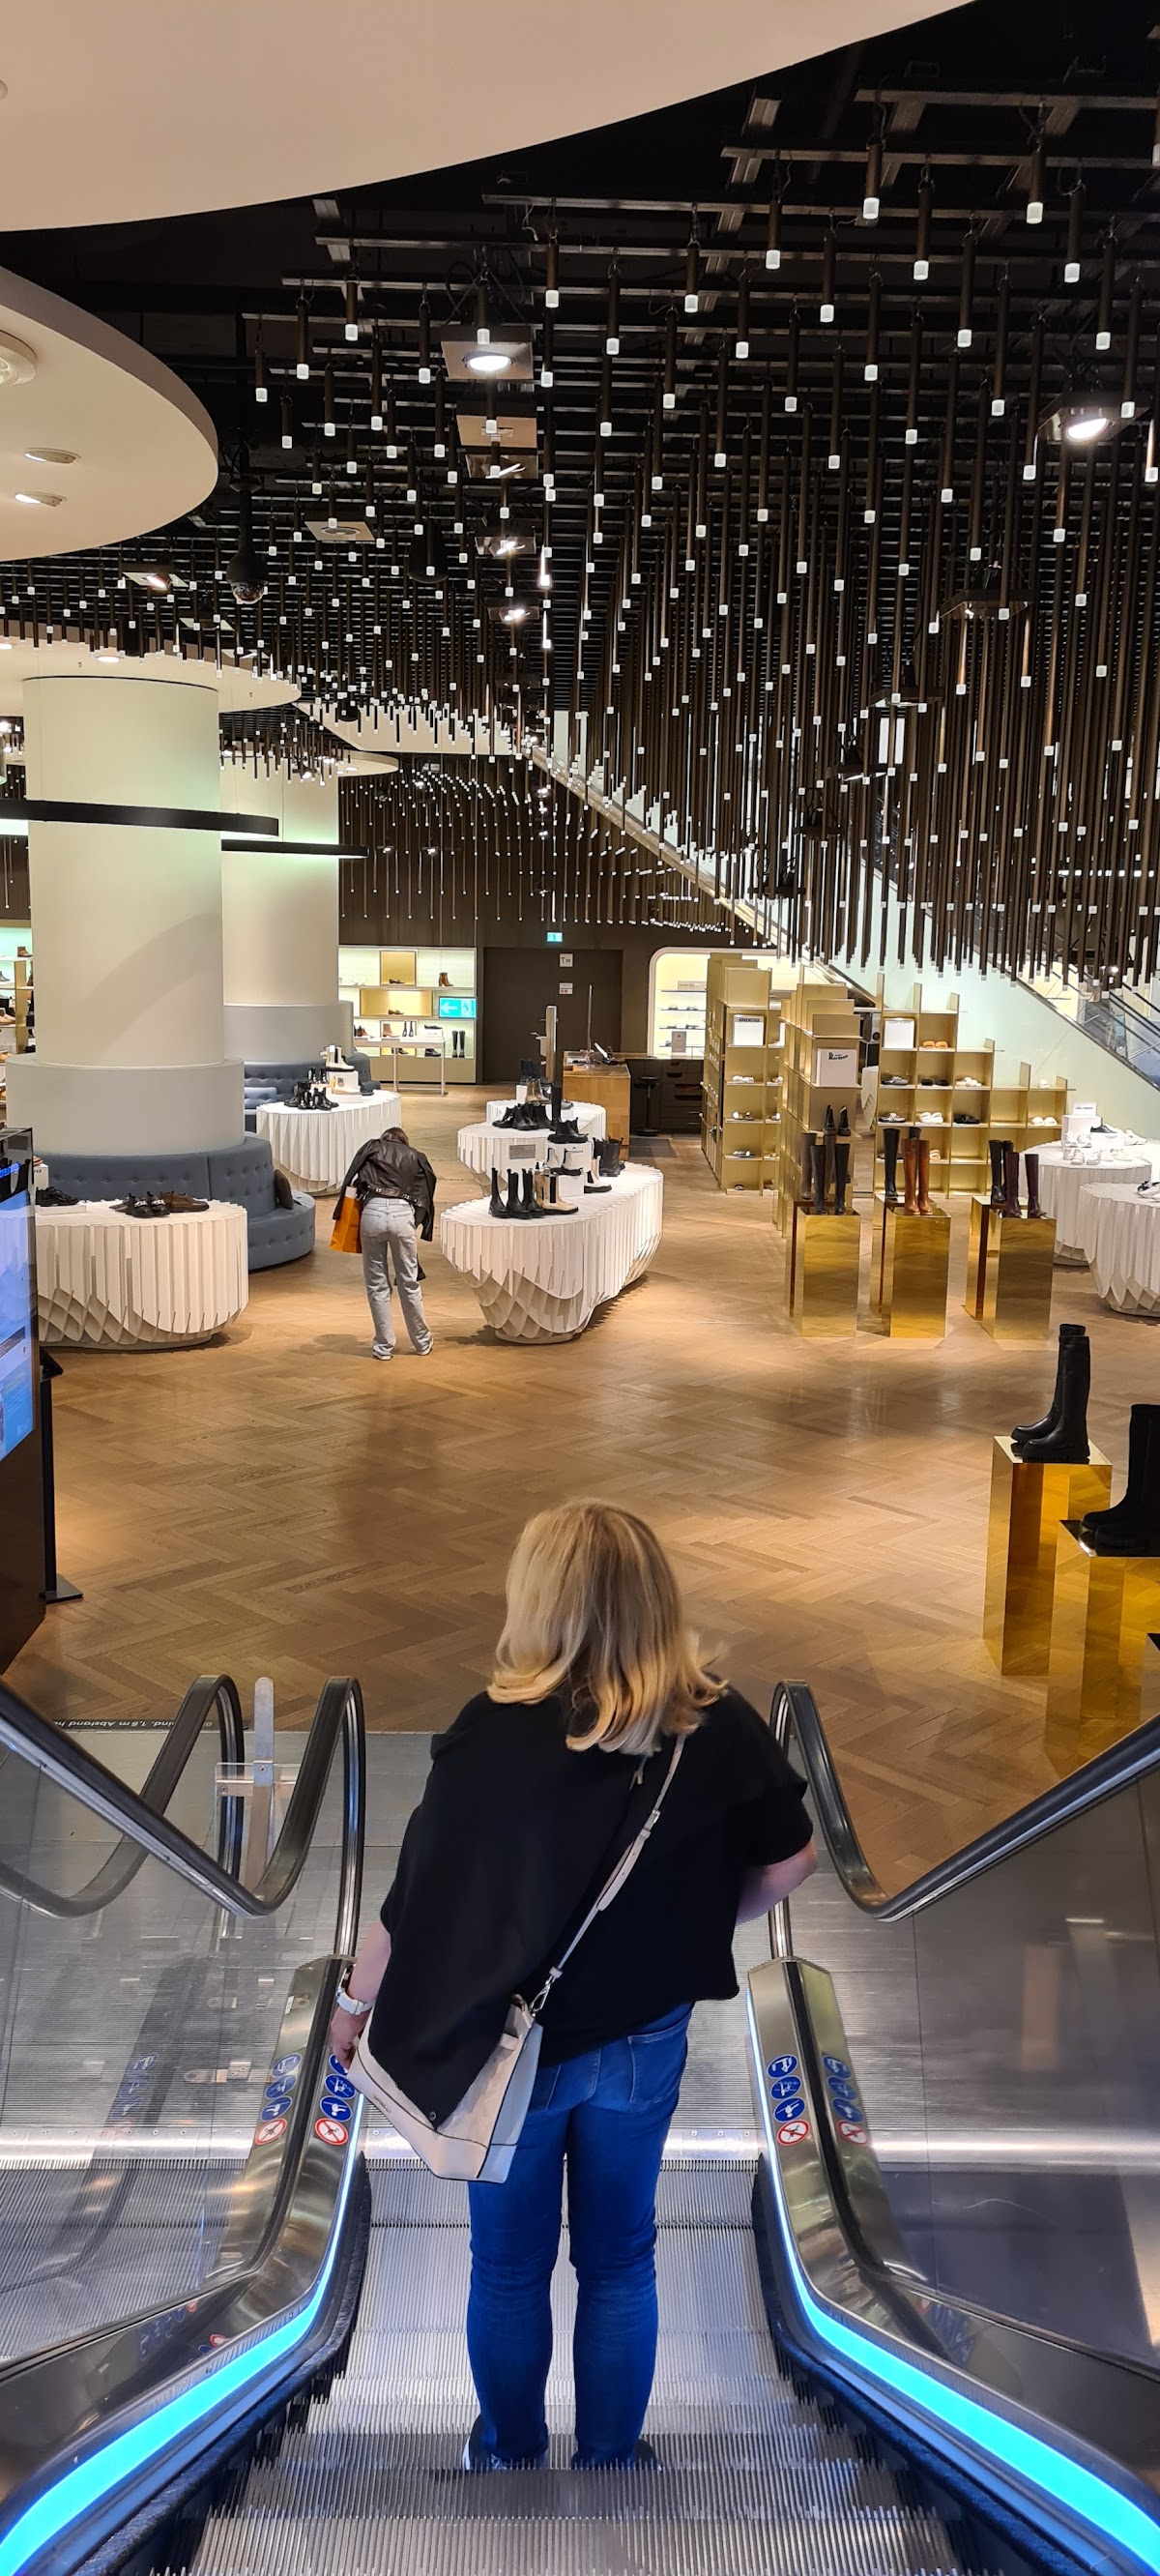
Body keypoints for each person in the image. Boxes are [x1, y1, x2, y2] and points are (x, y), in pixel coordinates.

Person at [329, 1500, 816, 2470]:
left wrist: (351, 2007)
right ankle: (611, 2458)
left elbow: (413, 1902)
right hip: (644, 2039)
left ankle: (508, 2452)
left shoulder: (492, 1732)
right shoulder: (713, 1723)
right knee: (620, 2258)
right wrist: (690, 1926)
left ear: (538, 1600)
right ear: (654, 1600)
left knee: (509, 2267)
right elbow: (793, 1860)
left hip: (514, 2050)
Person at [334, 1123, 436, 1361]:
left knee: (376, 1283)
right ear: (404, 1141)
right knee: (409, 1282)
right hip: (403, 1213)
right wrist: (415, 1223)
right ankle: (422, 1342)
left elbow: (352, 1180)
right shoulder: (416, 1156)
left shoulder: (371, 1148)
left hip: (372, 1212)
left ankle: (383, 1346)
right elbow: (425, 1194)